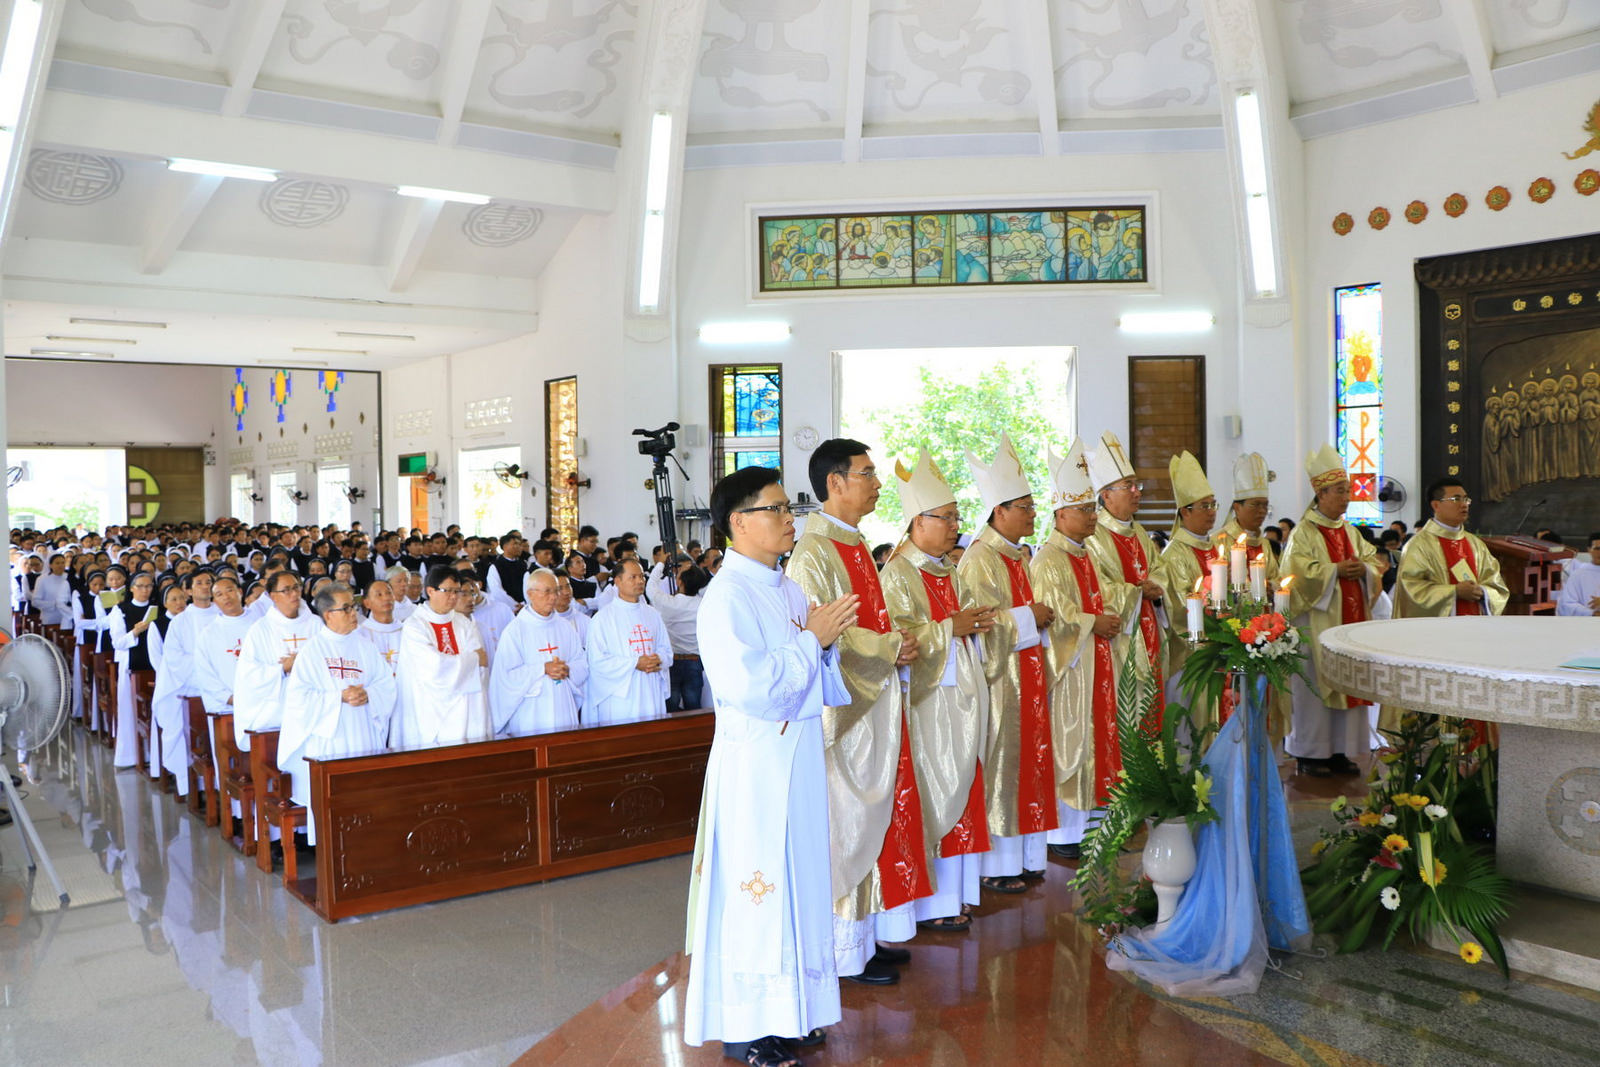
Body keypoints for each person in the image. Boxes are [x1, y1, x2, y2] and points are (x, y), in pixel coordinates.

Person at [682, 465, 855, 1066]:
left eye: (789, 509)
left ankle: (794, 1010)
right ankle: (748, 1025)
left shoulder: (785, 587)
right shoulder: (726, 597)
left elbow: (812, 670)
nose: (790, 520)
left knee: (800, 881)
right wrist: (812, 641)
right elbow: (750, 685)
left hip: (798, 755)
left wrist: (825, 644)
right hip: (755, 763)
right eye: (777, 509)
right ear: (739, 522)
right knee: (758, 889)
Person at [787, 437, 926, 986]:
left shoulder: (852, 542)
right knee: (846, 822)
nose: (876, 483)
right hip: (841, 716)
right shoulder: (814, 552)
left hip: (875, 705)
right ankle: (841, 951)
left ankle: (864, 940)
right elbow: (822, 635)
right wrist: (891, 648)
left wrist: (899, 644)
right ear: (835, 483)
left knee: (873, 819)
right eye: (866, 474)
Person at [880, 451, 996, 931]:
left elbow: (968, 619)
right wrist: (952, 626)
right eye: (946, 518)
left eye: (955, 518)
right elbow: (901, 640)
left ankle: (958, 896)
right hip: (925, 706)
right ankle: (933, 904)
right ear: (916, 521)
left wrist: (971, 623)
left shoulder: (946, 568)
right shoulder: (898, 574)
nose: (954, 526)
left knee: (963, 789)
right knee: (933, 793)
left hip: (960, 701)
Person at [959, 432, 1057, 892]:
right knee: (1003, 765)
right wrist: (1027, 617)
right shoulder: (980, 558)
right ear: (1000, 511)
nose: (1034, 514)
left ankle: (1027, 856)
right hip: (1001, 683)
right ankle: (999, 866)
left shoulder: (1016, 556)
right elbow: (978, 624)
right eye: (1026, 506)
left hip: (1027, 676)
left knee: (1029, 765)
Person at [1032, 438, 1130, 859]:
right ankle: (1065, 835)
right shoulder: (1049, 560)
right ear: (1060, 514)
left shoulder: (1084, 553)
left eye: (1094, 508)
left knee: (1101, 741)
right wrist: (1095, 622)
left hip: (1096, 662)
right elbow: (1058, 617)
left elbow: (1097, 596)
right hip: (1071, 670)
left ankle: (1095, 825)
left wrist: (1110, 611)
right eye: (1085, 509)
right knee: (1073, 744)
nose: (1093, 516)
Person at [1281, 445, 1382, 778]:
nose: (1347, 496)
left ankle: (1339, 750)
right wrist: (1334, 571)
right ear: (1320, 493)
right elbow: (1295, 574)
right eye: (1340, 491)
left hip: (1349, 624)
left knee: (1347, 683)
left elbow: (1373, 562)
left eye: (1348, 490)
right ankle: (1310, 753)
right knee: (1313, 687)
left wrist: (1365, 571)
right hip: (1315, 625)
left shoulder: (1350, 530)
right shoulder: (1303, 533)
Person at [276, 582, 396, 845]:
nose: (354, 613)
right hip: (329, 739)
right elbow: (298, 699)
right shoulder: (311, 652)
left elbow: (386, 684)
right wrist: (338, 697)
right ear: (328, 614)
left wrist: (369, 695)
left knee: (365, 798)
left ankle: (368, 847)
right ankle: (332, 854)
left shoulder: (365, 646)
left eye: (353, 607)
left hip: (363, 732)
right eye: (347, 609)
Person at [1085, 431, 1167, 720]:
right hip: (1119, 641)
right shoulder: (1093, 536)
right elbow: (1096, 589)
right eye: (1128, 486)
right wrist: (1137, 591)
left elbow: (1159, 570)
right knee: (1127, 715)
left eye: (1137, 485)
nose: (1137, 492)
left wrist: (1158, 586)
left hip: (1150, 631)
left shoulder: (1140, 532)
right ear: (1105, 494)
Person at [393, 566, 491, 748]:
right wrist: (472, 660)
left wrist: (472, 660)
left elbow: (482, 662)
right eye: (448, 591)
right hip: (427, 710)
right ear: (430, 591)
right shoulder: (415, 625)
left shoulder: (463, 623)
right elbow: (433, 667)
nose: (453, 596)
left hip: (466, 711)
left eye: (457, 591)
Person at [1156, 451, 1222, 723]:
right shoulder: (1174, 554)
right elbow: (1179, 609)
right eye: (1204, 506)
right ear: (1185, 511)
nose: (1212, 512)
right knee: (1195, 727)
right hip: (1190, 659)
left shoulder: (1219, 547)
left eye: (1213, 505)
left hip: (1223, 651)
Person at [232, 570, 323, 753]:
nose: (295, 594)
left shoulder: (316, 624)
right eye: (287, 590)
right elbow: (248, 675)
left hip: (314, 710)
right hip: (276, 714)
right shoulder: (260, 630)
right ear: (273, 596)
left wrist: (305, 663)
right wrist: (282, 668)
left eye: (296, 587)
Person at [490, 569, 587, 735]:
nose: (554, 596)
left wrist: (568, 669)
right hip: (531, 711)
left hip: (563, 703)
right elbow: (505, 677)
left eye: (556, 591)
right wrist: (543, 668)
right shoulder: (515, 630)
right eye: (547, 591)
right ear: (530, 594)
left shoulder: (564, 626)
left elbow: (582, 663)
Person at [151, 569, 219, 795]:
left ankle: (221, 787)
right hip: (190, 689)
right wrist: (208, 672)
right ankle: (191, 787)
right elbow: (174, 660)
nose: (205, 586)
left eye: (209, 582)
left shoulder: (223, 615)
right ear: (189, 591)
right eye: (199, 583)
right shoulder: (180, 622)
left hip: (224, 689)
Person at [585, 559, 672, 725]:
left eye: (641, 577)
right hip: (620, 696)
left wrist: (658, 659)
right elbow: (596, 661)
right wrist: (635, 663)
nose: (640, 581)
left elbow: (666, 650)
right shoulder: (603, 618)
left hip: (651, 689)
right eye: (633, 577)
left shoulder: (653, 614)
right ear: (617, 581)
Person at [107, 571, 161, 769]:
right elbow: (118, 642)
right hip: (132, 665)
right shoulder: (120, 610)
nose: (145, 590)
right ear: (131, 588)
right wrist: (136, 632)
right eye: (141, 586)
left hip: (154, 663)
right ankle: (131, 755)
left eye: (149, 586)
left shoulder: (158, 609)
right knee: (131, 711)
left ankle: (156, 755)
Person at [648, 557, 709, 712]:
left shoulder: (669, 603)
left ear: (679, 582)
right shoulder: (704, 604)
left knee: (671, 708)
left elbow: (651, 588)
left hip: (672, 661)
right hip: (694, 661)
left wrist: (661, 563)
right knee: (694, 707)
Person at [1557, 532, 1600, 616]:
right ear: (1589, 550)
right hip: (1586, 625)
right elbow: (1567, 604)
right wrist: (1592, 613)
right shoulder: (1578, 575)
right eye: (1597, 548)